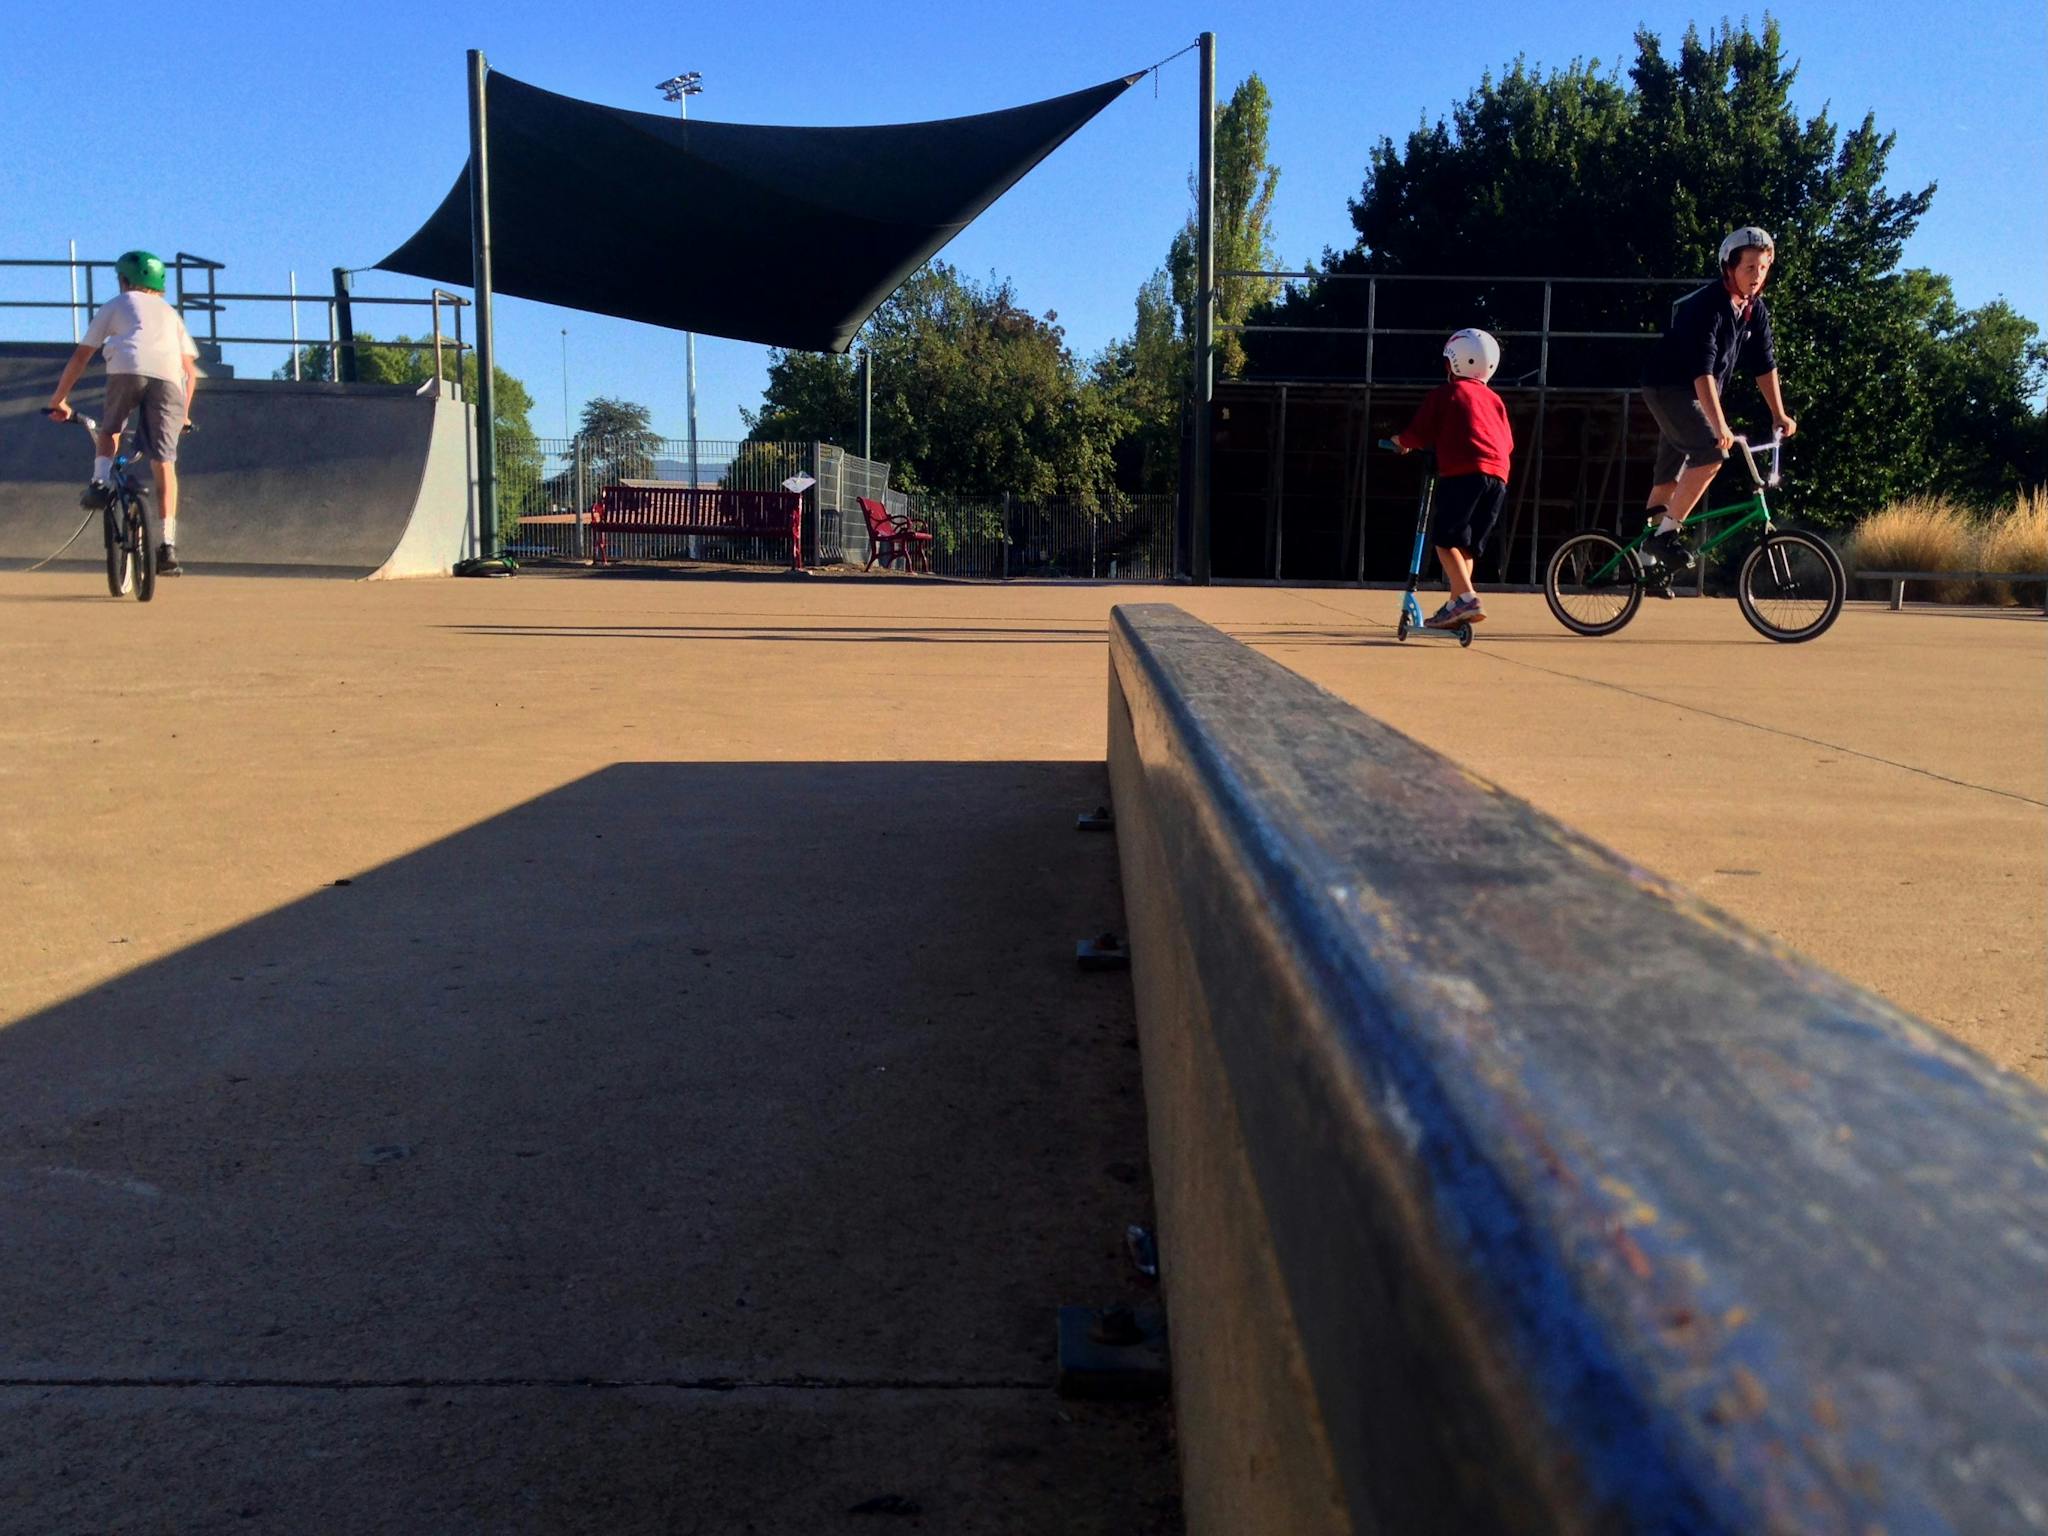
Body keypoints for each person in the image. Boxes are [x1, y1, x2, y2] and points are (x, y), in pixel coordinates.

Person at [1635, 225, 1798, 592]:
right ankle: (1665, 537)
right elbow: (1702, 372)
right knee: (1710, 454)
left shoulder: (1755, 311)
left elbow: (1765, 365)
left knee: (1668, 478)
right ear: (1729, 268)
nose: (1756, 277)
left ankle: (1647, 563)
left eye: (1763, 268)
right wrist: (1719, 426)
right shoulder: (1706, 308)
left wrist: (1779, 413)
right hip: (1669, 387)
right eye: (1748, 268)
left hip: (1691, 392)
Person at [44, 250, 199, 575]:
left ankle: (99, 483)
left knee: (111, 428)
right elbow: (190, 372)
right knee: (164, 461)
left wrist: (60, 399)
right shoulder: (171, 315)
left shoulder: (116, 304)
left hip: (127, 368)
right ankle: (168, 545)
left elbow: (81, 357)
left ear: (124, 280)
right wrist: (183, 415)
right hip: (169, 377)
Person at [1389, 327, 1514, 628]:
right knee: (1466, 546)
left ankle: (1468, 598)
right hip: (1498, 477)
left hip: (1463, 474)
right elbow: (1507, 440)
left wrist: (1402, 441)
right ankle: (1456, 605)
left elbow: (1420, 431)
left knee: (1445, 540)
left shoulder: (1447, 393)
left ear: (1452, 364)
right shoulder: (1494, 400)